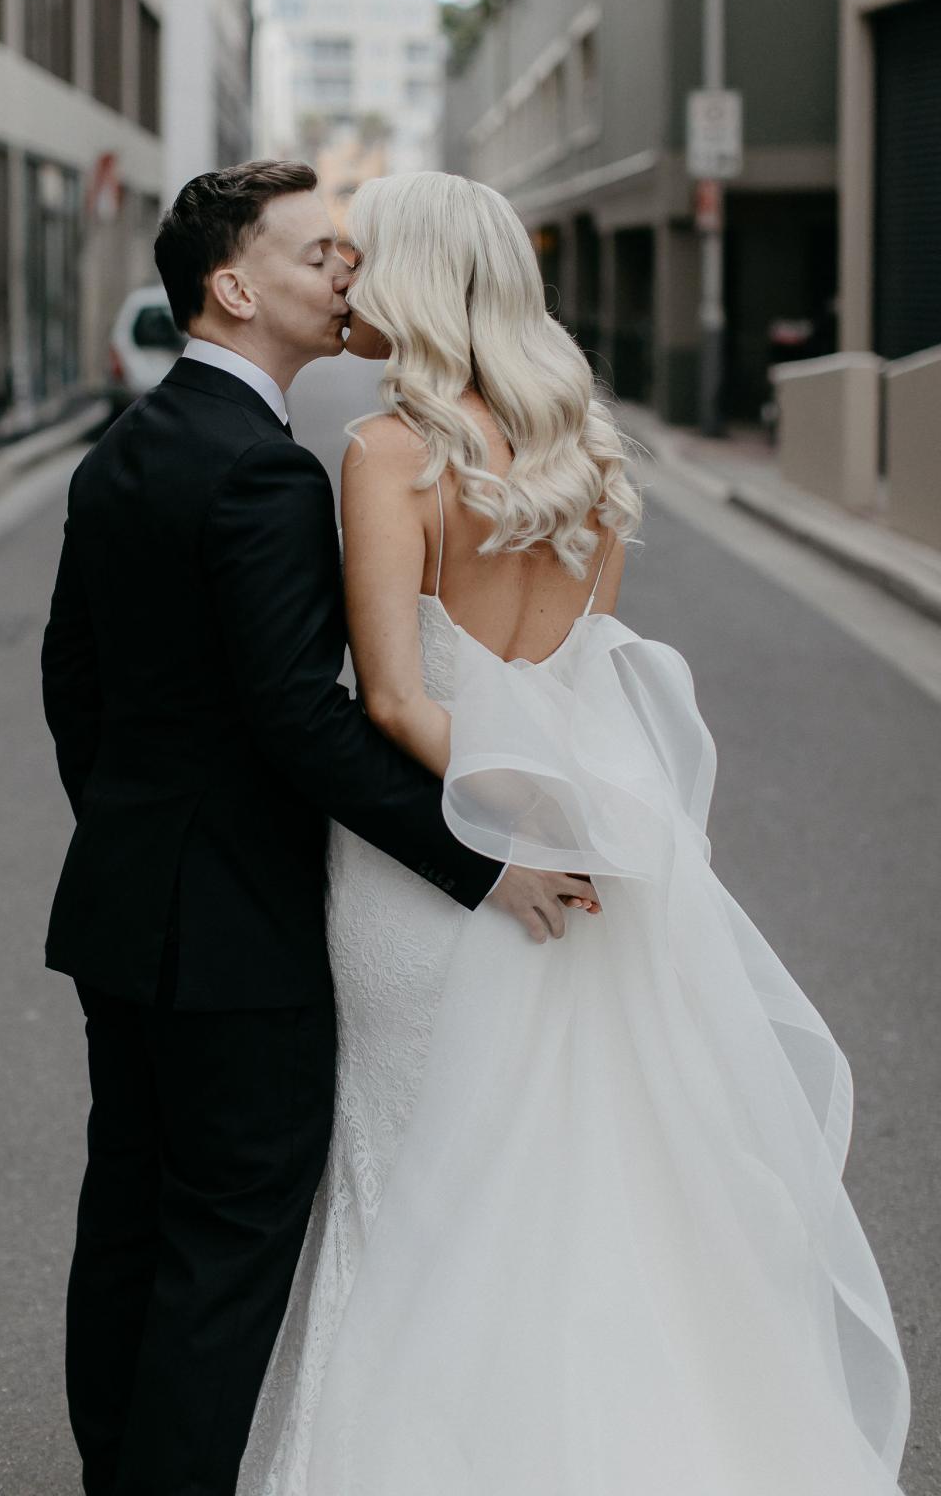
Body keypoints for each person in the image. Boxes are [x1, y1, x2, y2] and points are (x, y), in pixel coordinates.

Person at [238, 172, 911, 1496]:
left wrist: (494, 835)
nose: (347, 286)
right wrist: (558, 813)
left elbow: (392, 696)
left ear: (422, 280)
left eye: (363, 262)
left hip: (434, 863)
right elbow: (579, 671)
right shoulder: (582, 451)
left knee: (418, 1177)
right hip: (589, 836)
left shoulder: (387, 452)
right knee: (579, 1175)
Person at [39, 161, 577, 1496]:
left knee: (130, 1222)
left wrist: (136, 841)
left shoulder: (126, 452)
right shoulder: (266, 477)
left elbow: (74, 686)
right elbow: (304, 720)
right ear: (234, 286)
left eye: (348, 252)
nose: (343, 271)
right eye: (314, 255)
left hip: (124, 913)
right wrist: (480, 863)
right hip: (239, 940)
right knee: (225, 1250)